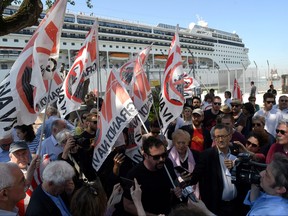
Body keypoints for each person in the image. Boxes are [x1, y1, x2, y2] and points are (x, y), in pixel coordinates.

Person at [122, 137, 182, 215]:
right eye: (156, 157)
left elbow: (174, 182)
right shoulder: (135, 174)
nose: (161, 159)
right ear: (146, 156)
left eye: (164, 155)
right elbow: (127, 205)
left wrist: (177, 189)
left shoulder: (167, 163)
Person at [189, 124, 240, 216]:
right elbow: (195, 177)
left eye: (223, 136)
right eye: (217, 137)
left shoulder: (236, 151)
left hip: (235, 205)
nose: (220, 140)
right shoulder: (206, 155)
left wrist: (235, 166)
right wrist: (182, 179)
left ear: (230, 136)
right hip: (216, 207)